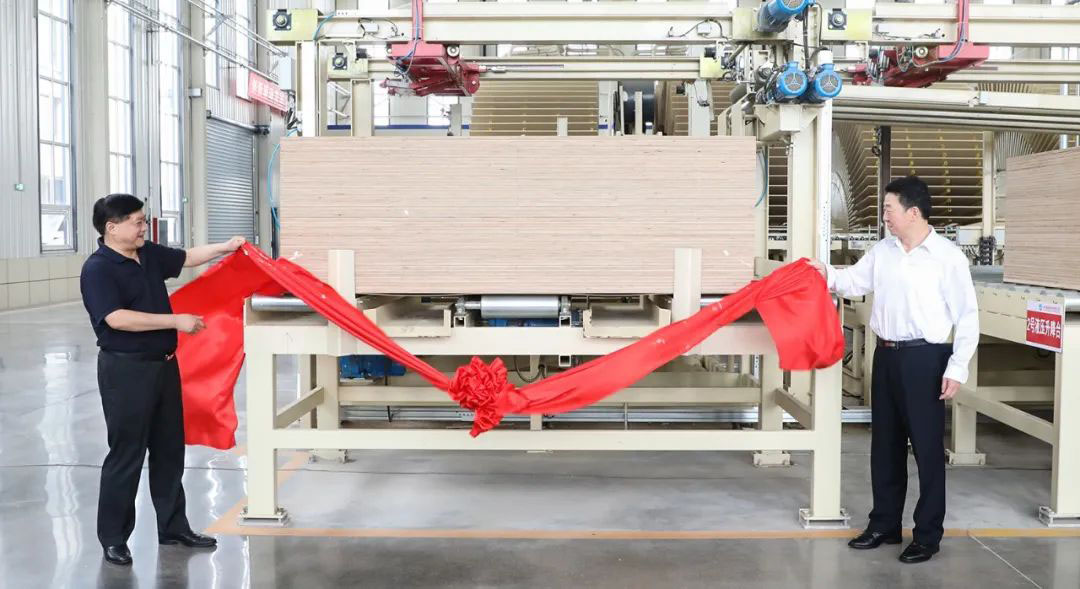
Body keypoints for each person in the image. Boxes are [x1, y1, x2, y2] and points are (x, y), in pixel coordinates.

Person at [810, 176, 978, 564]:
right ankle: (884, 524)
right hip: (885, 356)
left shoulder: (947, 257)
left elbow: (968, 316)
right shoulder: (883, 251)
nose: (884, 216)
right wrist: (824, 272)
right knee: (885, 446)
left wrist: (957, 368)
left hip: (926, 358)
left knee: (927, 450)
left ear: (913, 212)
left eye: (889, 209)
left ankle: (927, 535)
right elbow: (853, 282)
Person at [80, 193, 246, 566]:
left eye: (144, 220)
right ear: (112, 228)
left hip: (164, 366)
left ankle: (173, 527)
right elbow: (116, 318)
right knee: (127, 454)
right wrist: (175, 320)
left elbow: (186, 258)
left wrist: (226, 247)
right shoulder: (98, 269)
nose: (145, 228)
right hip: (126, 371)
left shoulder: (147, 254)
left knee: (169, 451)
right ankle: (114, 538)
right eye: (138, 222)